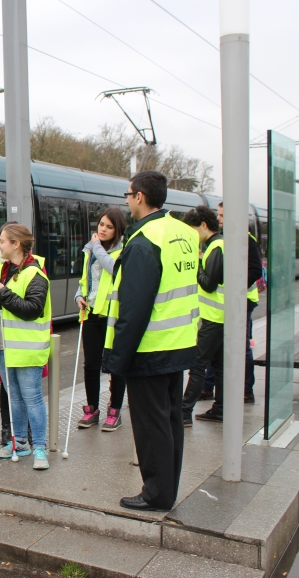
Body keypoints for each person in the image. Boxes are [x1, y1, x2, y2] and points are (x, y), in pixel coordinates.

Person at [104, 171, 199, 512]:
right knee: (171, 419)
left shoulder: (145, 240)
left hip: (149, 347)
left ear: (140, 197)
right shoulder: (183, 233)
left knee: (150, 424)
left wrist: (117, 359)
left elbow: (135, 307)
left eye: (128, 195)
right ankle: (167, 487)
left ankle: (156, 493)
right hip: (179, 341)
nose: (127, 201)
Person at [0, 223, 52, 470]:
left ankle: (39, 447)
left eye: (2, 241)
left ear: (16, 244)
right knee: (14, 398)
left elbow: (32, 310)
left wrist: (4, 294)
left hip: (27, 349)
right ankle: (20, 444)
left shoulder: (35, 274)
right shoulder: (0, 268)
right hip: (3, 346)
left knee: (32, 398)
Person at [199, 202, 263, 403]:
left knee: (240, 346)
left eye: (223, 215)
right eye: (219, 215)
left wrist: (235, 286)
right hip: (230, 301)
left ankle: (245, 390)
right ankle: (209, 387)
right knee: (217, 346)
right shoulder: (226, 239)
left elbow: (255, 270)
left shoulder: (244, 239)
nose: (219, 219)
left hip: (242, 301)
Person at [74, 208, 127, 431]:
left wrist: (96, 247)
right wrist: (79, 295)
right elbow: (86, 279)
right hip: (91, 313)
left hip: (113, 315)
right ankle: (92, 408)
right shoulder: (90, 250)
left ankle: (115, 410)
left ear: (117, 230)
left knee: (116, 364)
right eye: (101, 225)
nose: (103, 229)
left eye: (109, 226)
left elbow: (113, 269)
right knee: (91, 364)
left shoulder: (124, 250)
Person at [181, 206, 226, 424]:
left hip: (214, 317)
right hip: (219, 316)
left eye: (192, 229)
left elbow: (208, 284)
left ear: (204, 226)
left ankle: (184, 412)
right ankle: (221, 408)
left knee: (198, 366)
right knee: (218, 366)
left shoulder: (216, 247)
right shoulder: (217, 245)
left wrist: (198, 262)